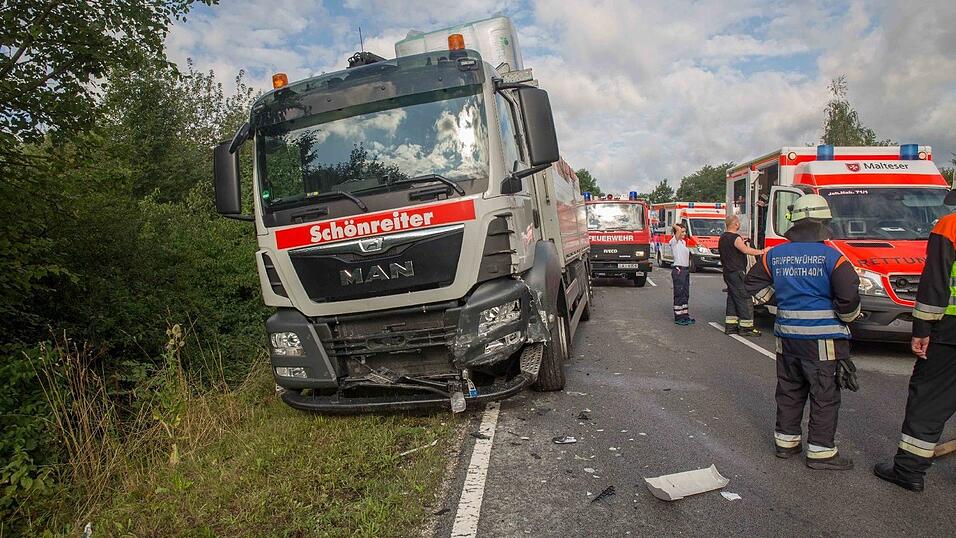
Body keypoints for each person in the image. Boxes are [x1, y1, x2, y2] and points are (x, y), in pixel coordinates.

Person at [745, 194, 861, 470]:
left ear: (794, 222)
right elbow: (848, 300)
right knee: (823, 395)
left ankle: (786, 444)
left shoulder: (774, 255)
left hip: (786, 339)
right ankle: (821, 453)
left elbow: (751, 286)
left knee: (789, 390)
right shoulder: (834, 258)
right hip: (822, 342)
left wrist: (778, 299)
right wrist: (845, 318)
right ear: (823, 223)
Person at [873, 189, 956, 492]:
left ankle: (909, 470)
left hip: (950, 333)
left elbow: (935, 284)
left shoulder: (950, 226)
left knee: (930, 402)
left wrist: (921, 329)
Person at [718, 214, 766, 336]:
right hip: (737, 272)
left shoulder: (723, 237)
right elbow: (746, 250)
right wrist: (762, 251)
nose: (739, 224)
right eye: (738, 222)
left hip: (727, 272)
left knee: (733, 297)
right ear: (735, 224)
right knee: (744, 298)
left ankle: (731, 326)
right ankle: (746, 327)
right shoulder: (735, 237)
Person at [669, 223, 694, 325]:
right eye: (682, 231)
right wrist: (676, 225)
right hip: (678, 269)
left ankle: (685, 315)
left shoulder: (683, 243)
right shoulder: (673, 241)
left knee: (685, 293)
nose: (684, 233)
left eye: (685, 231)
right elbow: (677, 231)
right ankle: (678, 317)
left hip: (685, 270)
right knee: (679, 293)